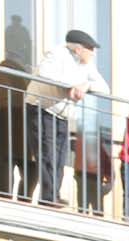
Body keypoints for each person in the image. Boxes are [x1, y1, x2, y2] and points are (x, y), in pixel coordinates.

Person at [32, 29, 105, 207]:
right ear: (79, 49)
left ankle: (53, 194)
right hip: (42, 108)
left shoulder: (85, 64)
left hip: (63, 114)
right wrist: (70, 86)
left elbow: (104, 88)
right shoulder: (56, 54)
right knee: (47, 153)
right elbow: (44, 74)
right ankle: (48, 197)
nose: (93, 53)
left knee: (60, 156)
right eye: (90, 49)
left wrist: (85, 85)